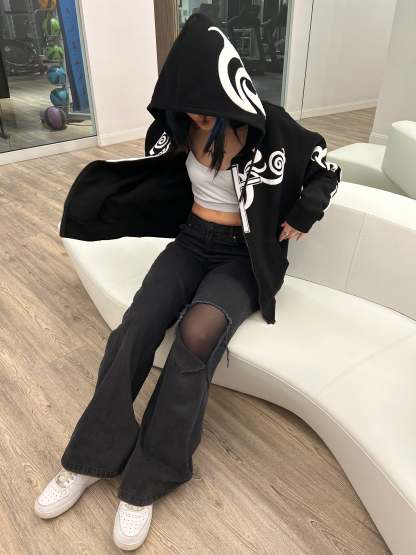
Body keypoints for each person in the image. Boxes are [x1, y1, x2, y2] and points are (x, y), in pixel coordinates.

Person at [34, 13, 341, 552]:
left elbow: (325, 166)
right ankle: (88, 459)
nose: (197, 114)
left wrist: (304, 212)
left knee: (196, 336)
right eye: (188, 102)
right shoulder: (177, 127)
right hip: (192, 241)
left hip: (241, 258)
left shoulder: (270, 126)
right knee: (134, 329)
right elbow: (156, 174)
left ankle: (149, 479)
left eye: (205, 103)